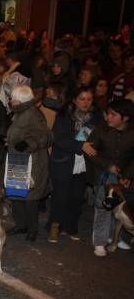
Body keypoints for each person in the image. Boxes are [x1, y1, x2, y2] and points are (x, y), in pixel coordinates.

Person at [48, 86, 101, 243]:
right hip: (63, 161)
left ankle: (70, 227)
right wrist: (80, 146)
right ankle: (55, 227)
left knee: (77, 197)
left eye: (89, 99)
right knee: (60, 196)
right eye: (82, 99)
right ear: (74, 100)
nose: (86, 102)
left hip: (83, 163)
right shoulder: (65, 115)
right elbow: (58, 139)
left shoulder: (95, 118)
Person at [87, 99, 134, 256]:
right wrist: (108, 166)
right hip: (103, 174)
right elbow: (90, 152)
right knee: (103, 206)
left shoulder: (132, 132)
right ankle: (99, 241)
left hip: (123, 177)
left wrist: (128, 175)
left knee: (119, 209)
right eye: (107, 113)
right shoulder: (101, 130)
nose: (108, 117)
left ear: (125, 118)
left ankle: (114, 237)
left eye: (113, 114)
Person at [6, 85, 51, 242]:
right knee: (16, 193)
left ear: (20, 100)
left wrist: (28, 143)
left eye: (12, 98)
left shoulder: (33, 114)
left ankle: (32, 229)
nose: (10, 100)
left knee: (31, 197)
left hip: (33, 161)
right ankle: (21, 224)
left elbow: (46, 137)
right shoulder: (18, 112)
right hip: (17, 158)